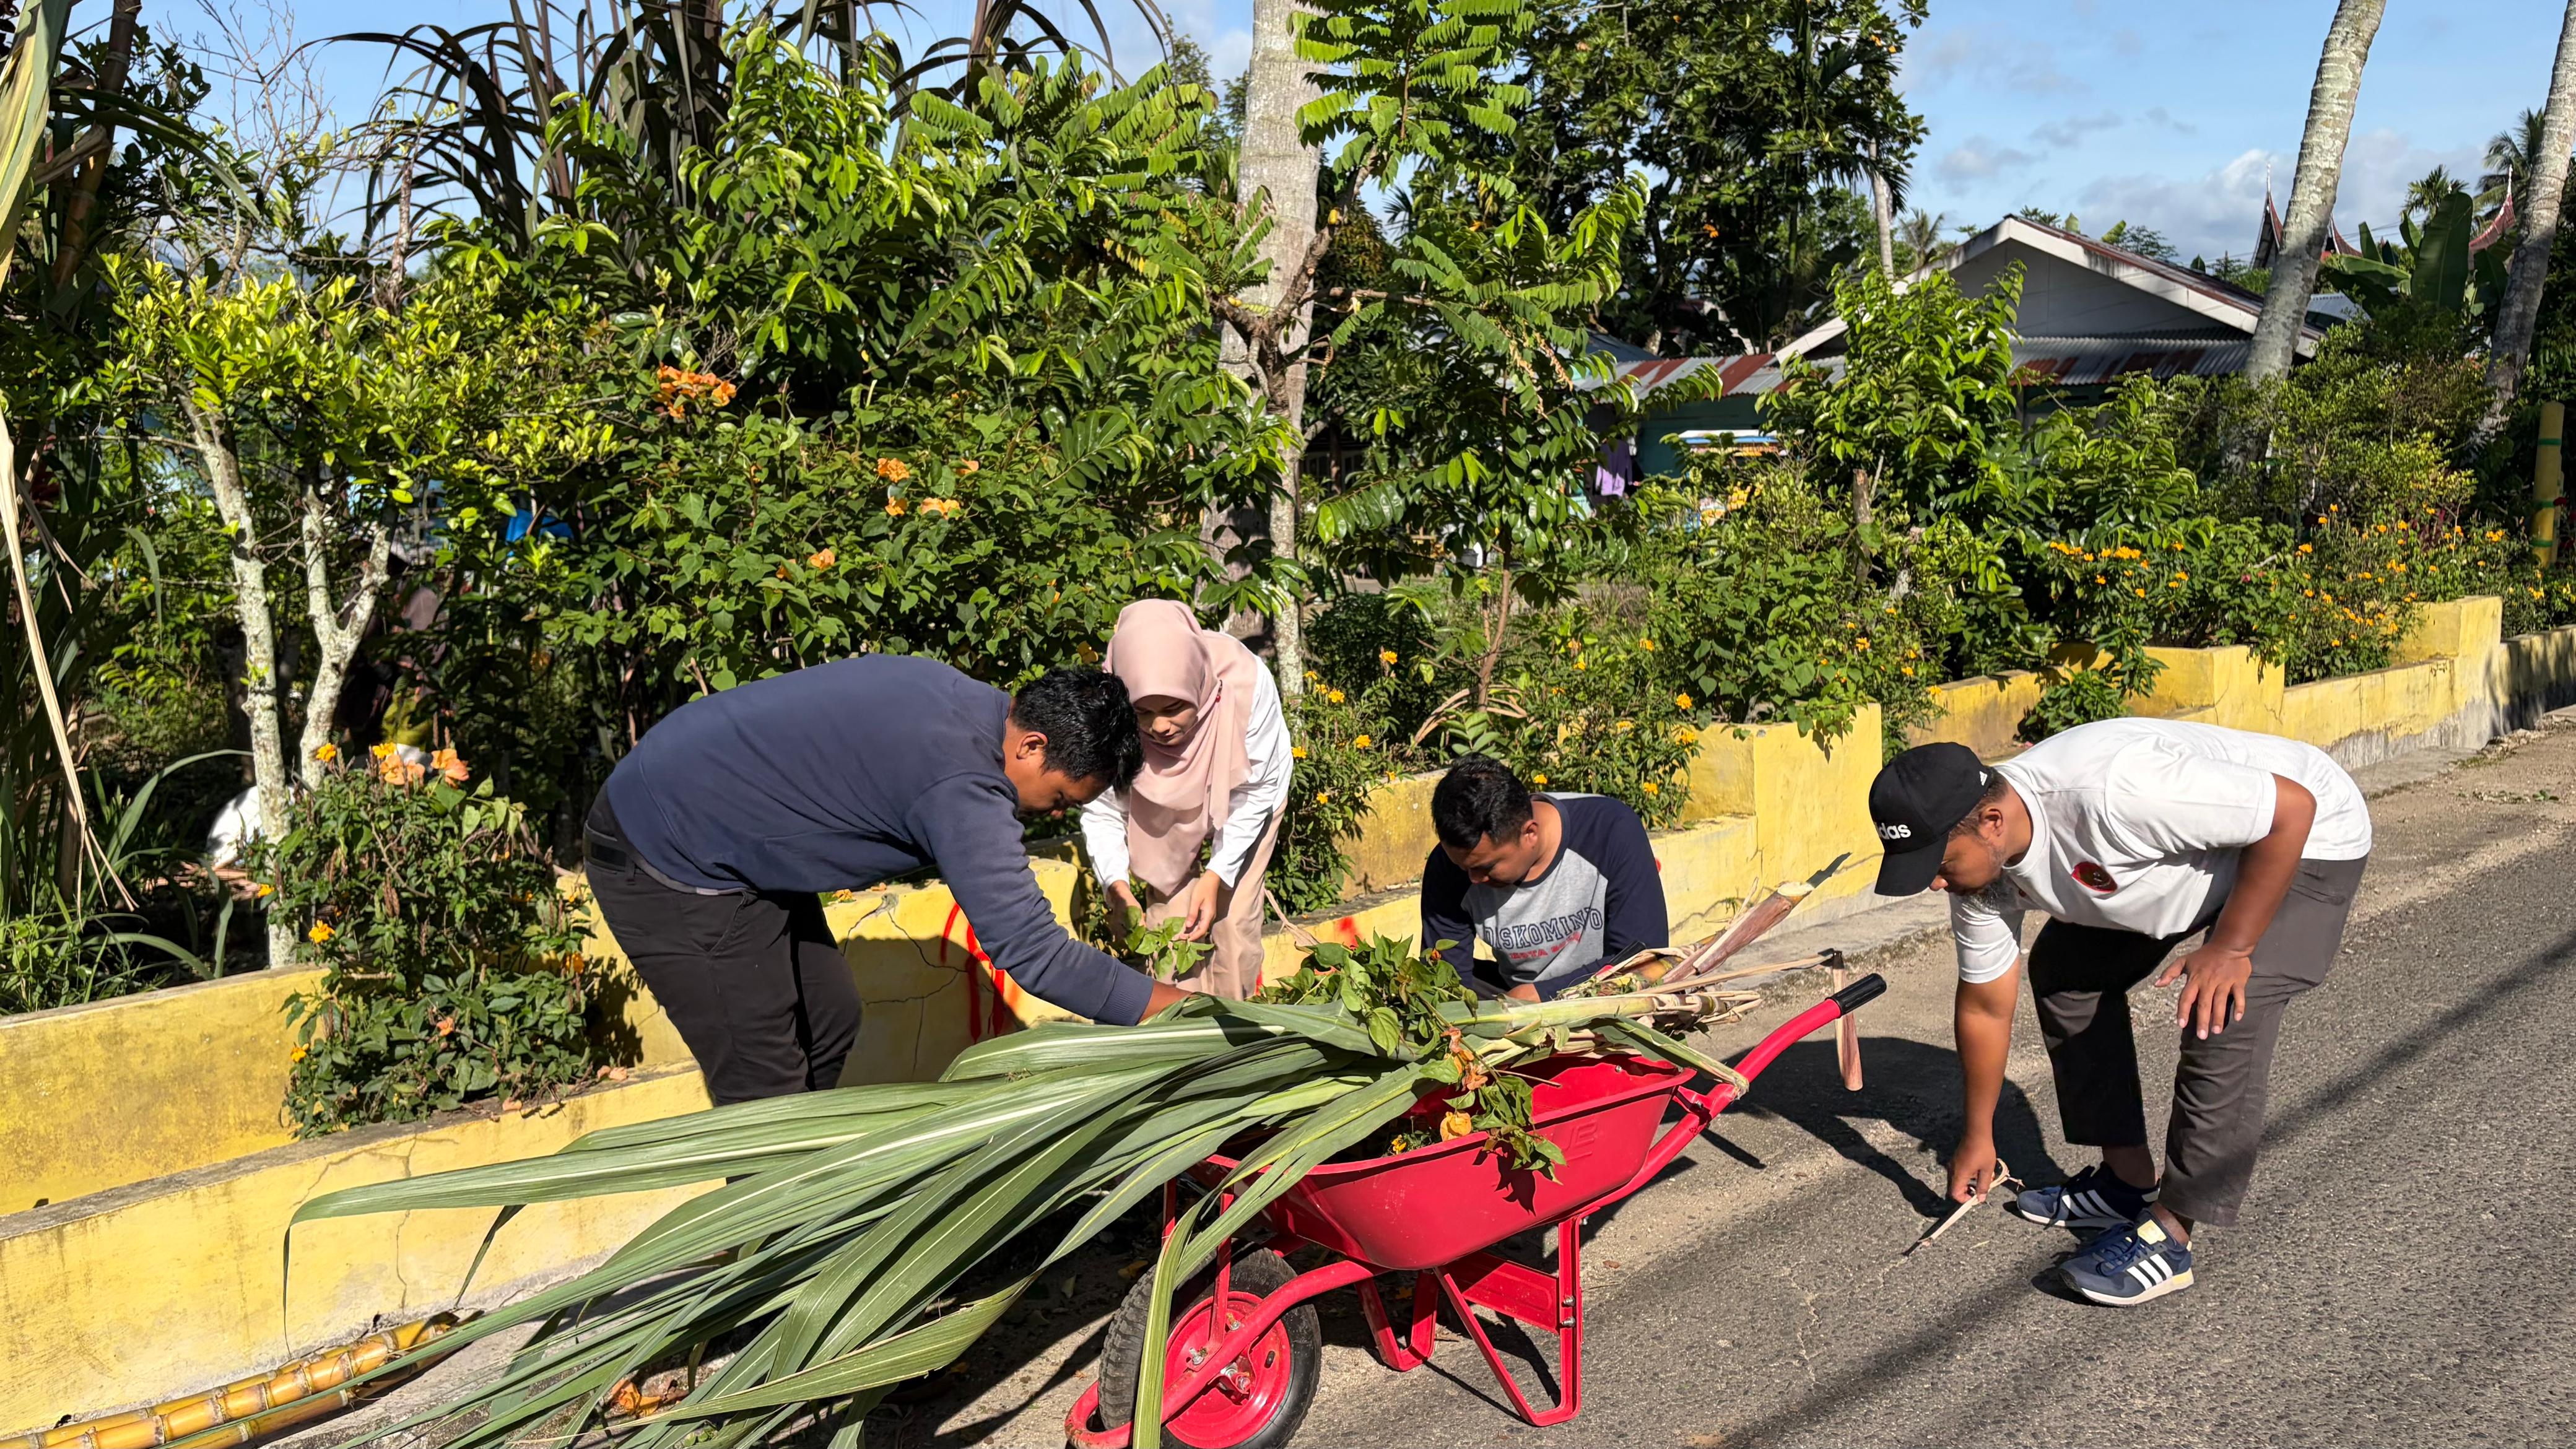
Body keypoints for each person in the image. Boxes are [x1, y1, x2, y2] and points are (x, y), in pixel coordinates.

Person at [1868, 717, 2372, 1307]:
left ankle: (2173, 1231)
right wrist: (1978, 1135)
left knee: (2222, 1007)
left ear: (1992, 821)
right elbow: (1984, 1006)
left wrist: (2231, 948)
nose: (1933, 882)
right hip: (2198, 863)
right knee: (2066, 970)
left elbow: (2292, 808)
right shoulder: (1979, 876)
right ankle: (2127, 1182)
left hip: (2306, 839)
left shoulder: (2116, 792)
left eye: (1940, 862)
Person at [585, 655, 1190, 1105]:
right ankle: (767, 1257)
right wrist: (1192, 1016)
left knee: (828, 1019)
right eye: (1060, 797)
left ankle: (796, 1193)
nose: (1054, 814)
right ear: (1032, 744)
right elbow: (1033, 953)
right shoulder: (961, 781)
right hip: (667, 855)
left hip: (728, 835)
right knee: (761, 1081)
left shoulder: (972, 705)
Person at [1079, 599, 1293, 999]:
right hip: (1158, 808)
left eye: (1175, 707)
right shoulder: (1108, 712)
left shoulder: (1246, 684)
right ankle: (1181, 1042)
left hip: (1246, 795)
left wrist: (1216, 875)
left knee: (1234, 927)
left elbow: (1257, 789)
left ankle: (1235, 1041)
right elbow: (1102, 807)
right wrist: (1117, 886)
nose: (1160, 727)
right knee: (1168, 935)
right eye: (1142, 712)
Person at [1419, 755, 1668, 1001]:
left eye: (1487, 867)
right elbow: (1446, 980)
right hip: (1514, 995)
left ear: (1530, 834)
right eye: (1462, 867)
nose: (1473, 878)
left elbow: (1645, 955)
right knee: (1427, 987)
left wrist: (1541, 995)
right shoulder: (1448, 866)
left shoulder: (1611, 829)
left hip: (1603, 995)